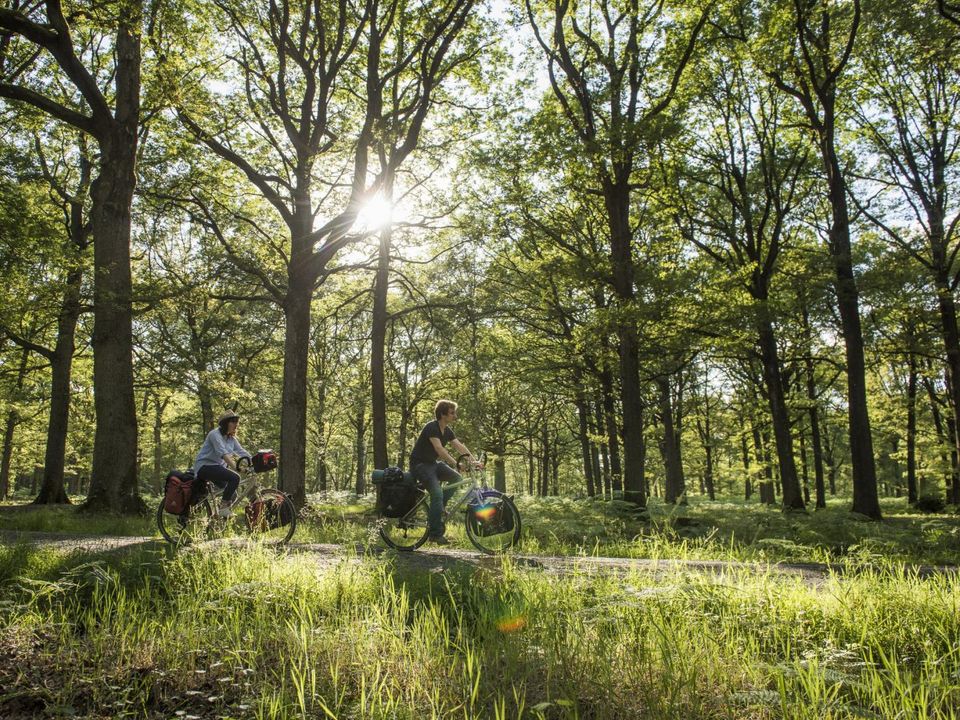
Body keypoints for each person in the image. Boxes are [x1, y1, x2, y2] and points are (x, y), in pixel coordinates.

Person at [409, 400, 482, 544]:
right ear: (443, 414)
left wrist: (473, 461)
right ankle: (435, 534)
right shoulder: (431, 427)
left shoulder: (447, 430)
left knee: (457, 478)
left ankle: (440, 507)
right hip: (420, 465)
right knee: (436, 493)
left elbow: (459, 446)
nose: (455, 416)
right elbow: (439, 449)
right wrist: (456, 463)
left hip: (432, 464)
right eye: (452, 413)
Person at [193, 410, 252, 517]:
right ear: (225, 423)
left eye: (236, 422)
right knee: (235, 478)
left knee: (232, 494)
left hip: (216, 468)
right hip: (204, 467)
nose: (236, 424)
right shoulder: (214, 435)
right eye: (233, 421)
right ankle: (223, 509)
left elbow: (241, 452)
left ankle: (216, 517)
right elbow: (223, 454)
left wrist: (254, 463)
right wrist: (236, 468)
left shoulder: (231, 439)